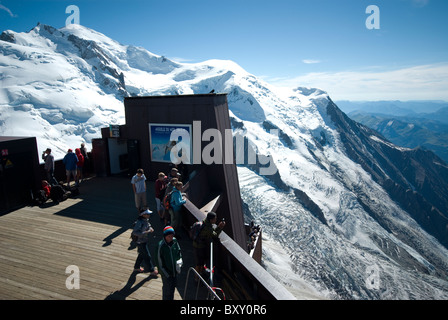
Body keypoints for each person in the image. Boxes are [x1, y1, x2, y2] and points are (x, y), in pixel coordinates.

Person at [192, 211, 225, 277]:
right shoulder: (207, 228)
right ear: (211, 220)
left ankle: (200, 274)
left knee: (201, 262)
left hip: (198, 245)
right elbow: (214, 235)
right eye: (215, 219)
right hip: (199, 247)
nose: (216, 220)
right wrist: (220, 227)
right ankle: (196, 278)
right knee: (199, 263)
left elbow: (212, 232)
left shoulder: (205, 223)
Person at [157, 226, 182, 300]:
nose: (171, 238)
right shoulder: (160, 246)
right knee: (167, 290)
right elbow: (159, 262)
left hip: (174, 271)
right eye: (169, 236)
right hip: (166, 274)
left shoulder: (175, 241)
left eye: (172, 236)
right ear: (165, 236)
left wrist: (180, 263)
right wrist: (166, 274)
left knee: (173, 288)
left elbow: (178, 252)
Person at [132, 209, 158, 275]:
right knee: (147, 256)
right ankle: (152, 270)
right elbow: (135, 232)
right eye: (147, 214)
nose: (149, 215)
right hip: (140, 242)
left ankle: (136, 267)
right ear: (143, 215)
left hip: (144, 240)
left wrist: (150, 228)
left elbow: (148, 225)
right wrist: (146, 232)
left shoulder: (145, 220)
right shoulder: (139, 222)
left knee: (141, 254)